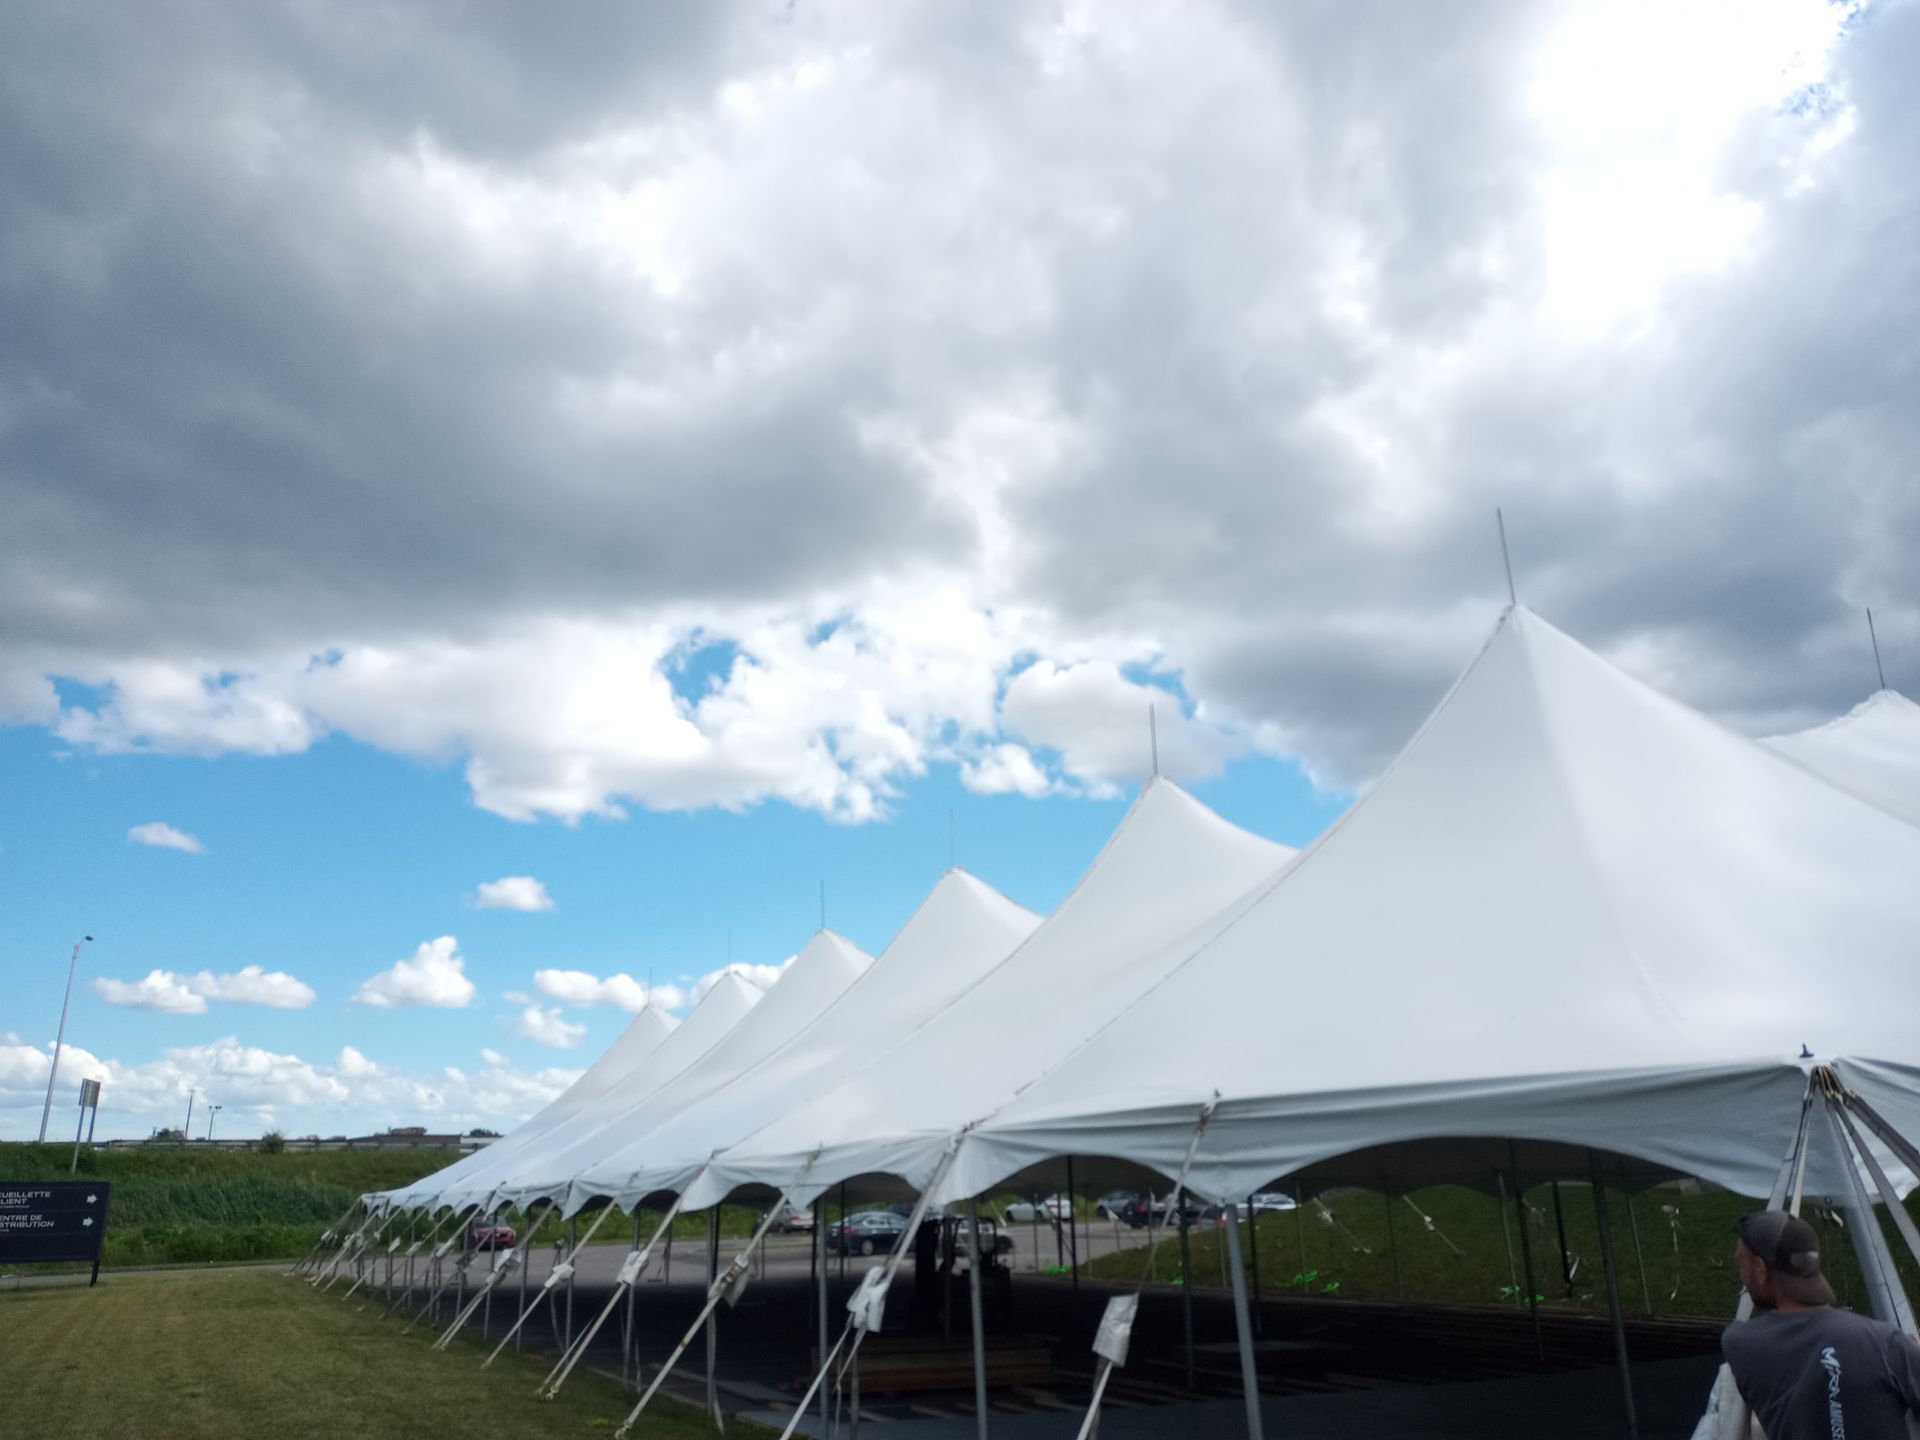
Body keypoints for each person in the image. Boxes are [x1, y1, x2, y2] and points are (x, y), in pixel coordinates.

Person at [1721, 1209, 1920, 1438]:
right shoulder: (1885, 1344)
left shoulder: (1739, 1344)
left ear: (1759, 1269)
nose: (1742, 1275)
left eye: (1741, 1265)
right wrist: (1906, 1352)